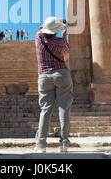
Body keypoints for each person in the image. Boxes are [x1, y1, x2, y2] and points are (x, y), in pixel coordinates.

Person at [34, 17, 72, 153]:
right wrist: (64, 31)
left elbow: (41, 28)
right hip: (61, 74)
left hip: (44, 76)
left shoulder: (38, 39)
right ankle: (64, 143)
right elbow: (67, 51)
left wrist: (55, 24)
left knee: (45, 110)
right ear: (56, 31)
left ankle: (41, 144)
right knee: (63, 109)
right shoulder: (60, 41)